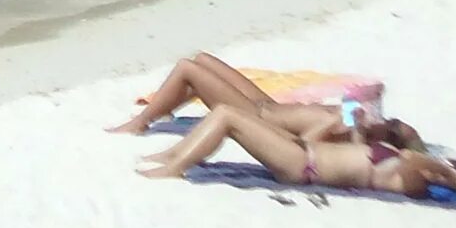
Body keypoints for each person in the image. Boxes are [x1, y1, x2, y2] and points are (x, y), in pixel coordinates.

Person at [138, 106, 456, 214]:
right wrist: (352, 129)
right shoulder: (406, 162)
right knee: (228, 114)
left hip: (301, 166)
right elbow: (347, 152)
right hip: (304, 151)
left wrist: (452, 177)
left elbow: (415, 167)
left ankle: (174, 167)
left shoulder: (415, 181)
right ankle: (172, 155)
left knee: (226, 115)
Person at [107, 54, 416, 149]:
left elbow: (302, 144)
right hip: (268, 105)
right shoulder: (356, 119)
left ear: (383, 138)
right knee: (201, 59)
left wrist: (349, 127)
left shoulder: (346, 128)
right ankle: (162, 110)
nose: (387, 119)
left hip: (258, 116)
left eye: (392, 125)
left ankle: (140, 123)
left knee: (188, 70)